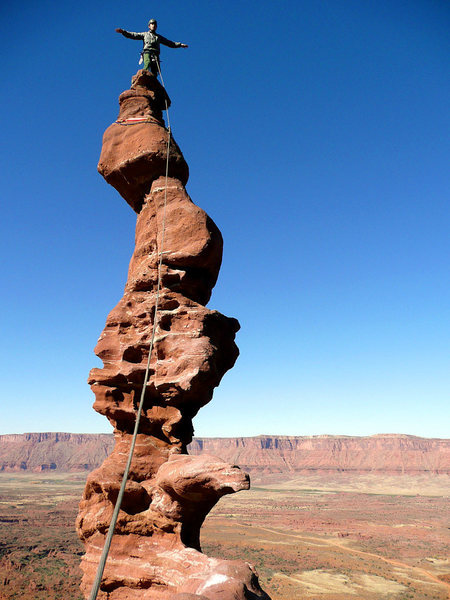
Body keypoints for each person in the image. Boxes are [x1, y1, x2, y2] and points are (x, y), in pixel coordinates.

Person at [116, 19, 188, 76]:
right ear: (149, 26)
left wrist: (180, 45)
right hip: (147, 52)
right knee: (147, 64)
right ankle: (143, 77)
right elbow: (133, 35)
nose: (153, 25)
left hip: (155, 54)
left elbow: (169, 43)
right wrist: (123, 32)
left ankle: (153, 81)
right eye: (152, 24)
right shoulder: (145, 34)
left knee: (155, 70)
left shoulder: (158, 37)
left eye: (155, 24)